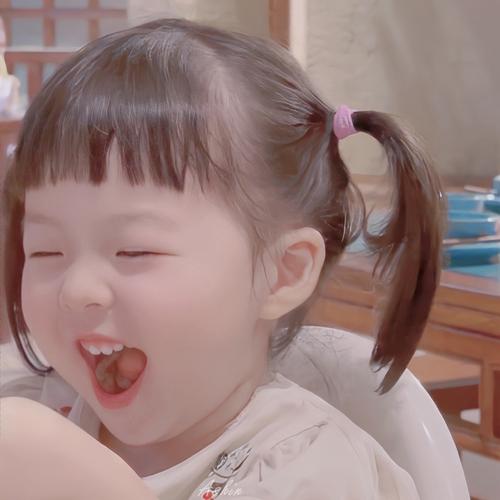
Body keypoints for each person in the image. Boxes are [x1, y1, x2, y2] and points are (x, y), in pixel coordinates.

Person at [0, 18, 444, 499]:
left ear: (282, 273)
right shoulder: (46, 400)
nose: (76, 289)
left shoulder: (315, 472)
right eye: (45, 250)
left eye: (133, 249)